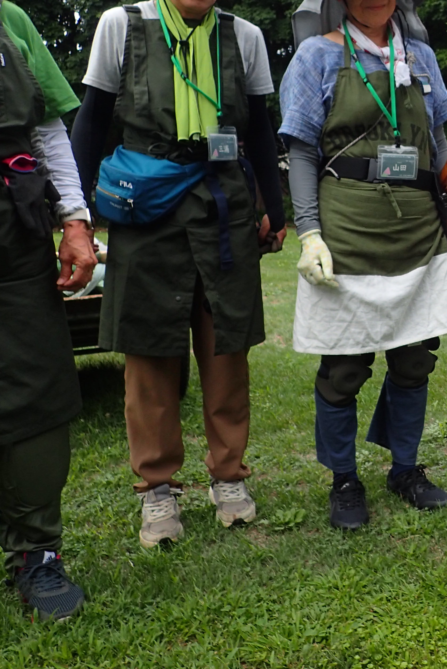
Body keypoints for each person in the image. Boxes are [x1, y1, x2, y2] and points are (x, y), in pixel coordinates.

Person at [71, 0, 287, 547]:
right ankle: (156, 488)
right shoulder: (122, 26)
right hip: (147, 209)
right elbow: (92, 119)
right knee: (149, 353)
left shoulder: (246, 37)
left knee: (226, 349)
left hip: (224, 208)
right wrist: (75, 216)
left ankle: (228, 476)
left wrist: (274, 208)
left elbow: (259, 128)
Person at [280, 0, 447, 530]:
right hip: (346, 226)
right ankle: (343, 479)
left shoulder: (419, 56)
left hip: (417, 225)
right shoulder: (314, 57)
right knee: (345, 364)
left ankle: (405, 469)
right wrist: (310, 232)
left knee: (415, 356)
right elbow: (300, 151)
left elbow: (438, 142)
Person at [0, 0, 96, 619]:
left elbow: (47, 132)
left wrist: (76, 220)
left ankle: (38, 555)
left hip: (13, 230)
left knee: (36, 385)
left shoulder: (8, 19)